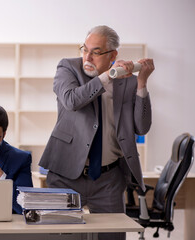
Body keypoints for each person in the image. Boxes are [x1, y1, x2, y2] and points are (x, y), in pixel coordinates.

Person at [39, 25, 154, 240]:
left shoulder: (127, 80)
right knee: (62, 236)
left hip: (108, 178)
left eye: (96, 52)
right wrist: (107, 77)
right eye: (85, 49)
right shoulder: (68, 68)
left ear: (113, 55)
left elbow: (141, 127)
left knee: (112, 237)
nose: (87, 57)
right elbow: (72, 100)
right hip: (66, 175)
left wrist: (141, 83)